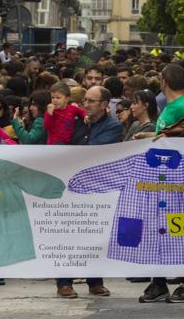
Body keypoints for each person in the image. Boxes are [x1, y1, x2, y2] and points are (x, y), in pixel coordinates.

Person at [138, 64, 184, 304]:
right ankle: (158, 283)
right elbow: (168, 135)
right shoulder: (172, 106)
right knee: (158, 231)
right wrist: (147, 138)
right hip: (163, 180)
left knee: (181, 230)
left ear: (163, 81)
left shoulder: (183, 106)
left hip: (179, 181)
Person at [57, 86, 121, 298]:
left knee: (95, 233)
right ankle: (64, 283)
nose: (86, 104)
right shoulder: (77, 120)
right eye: (84, 100)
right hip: (71, 185)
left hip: (98, 187)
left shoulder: (113, 126)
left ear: (104, 105)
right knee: (68, 235)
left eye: (92, 101)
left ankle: (95, 281)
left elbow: (93, 150)